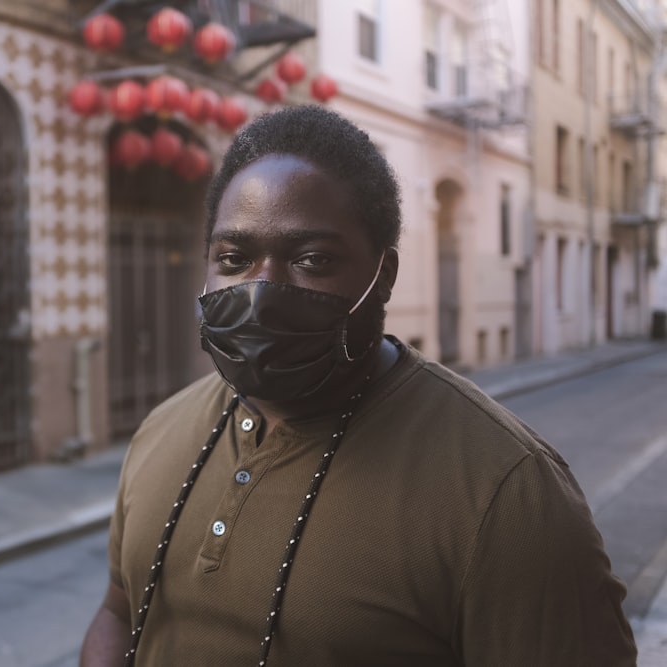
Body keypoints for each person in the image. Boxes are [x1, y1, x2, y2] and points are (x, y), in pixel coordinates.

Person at [81, 105, 637, 666]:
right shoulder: (160, 430)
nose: (261, 289)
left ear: (384, 276)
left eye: (313, 259)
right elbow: (119, 612)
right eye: (235, 258)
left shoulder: (508, 494)